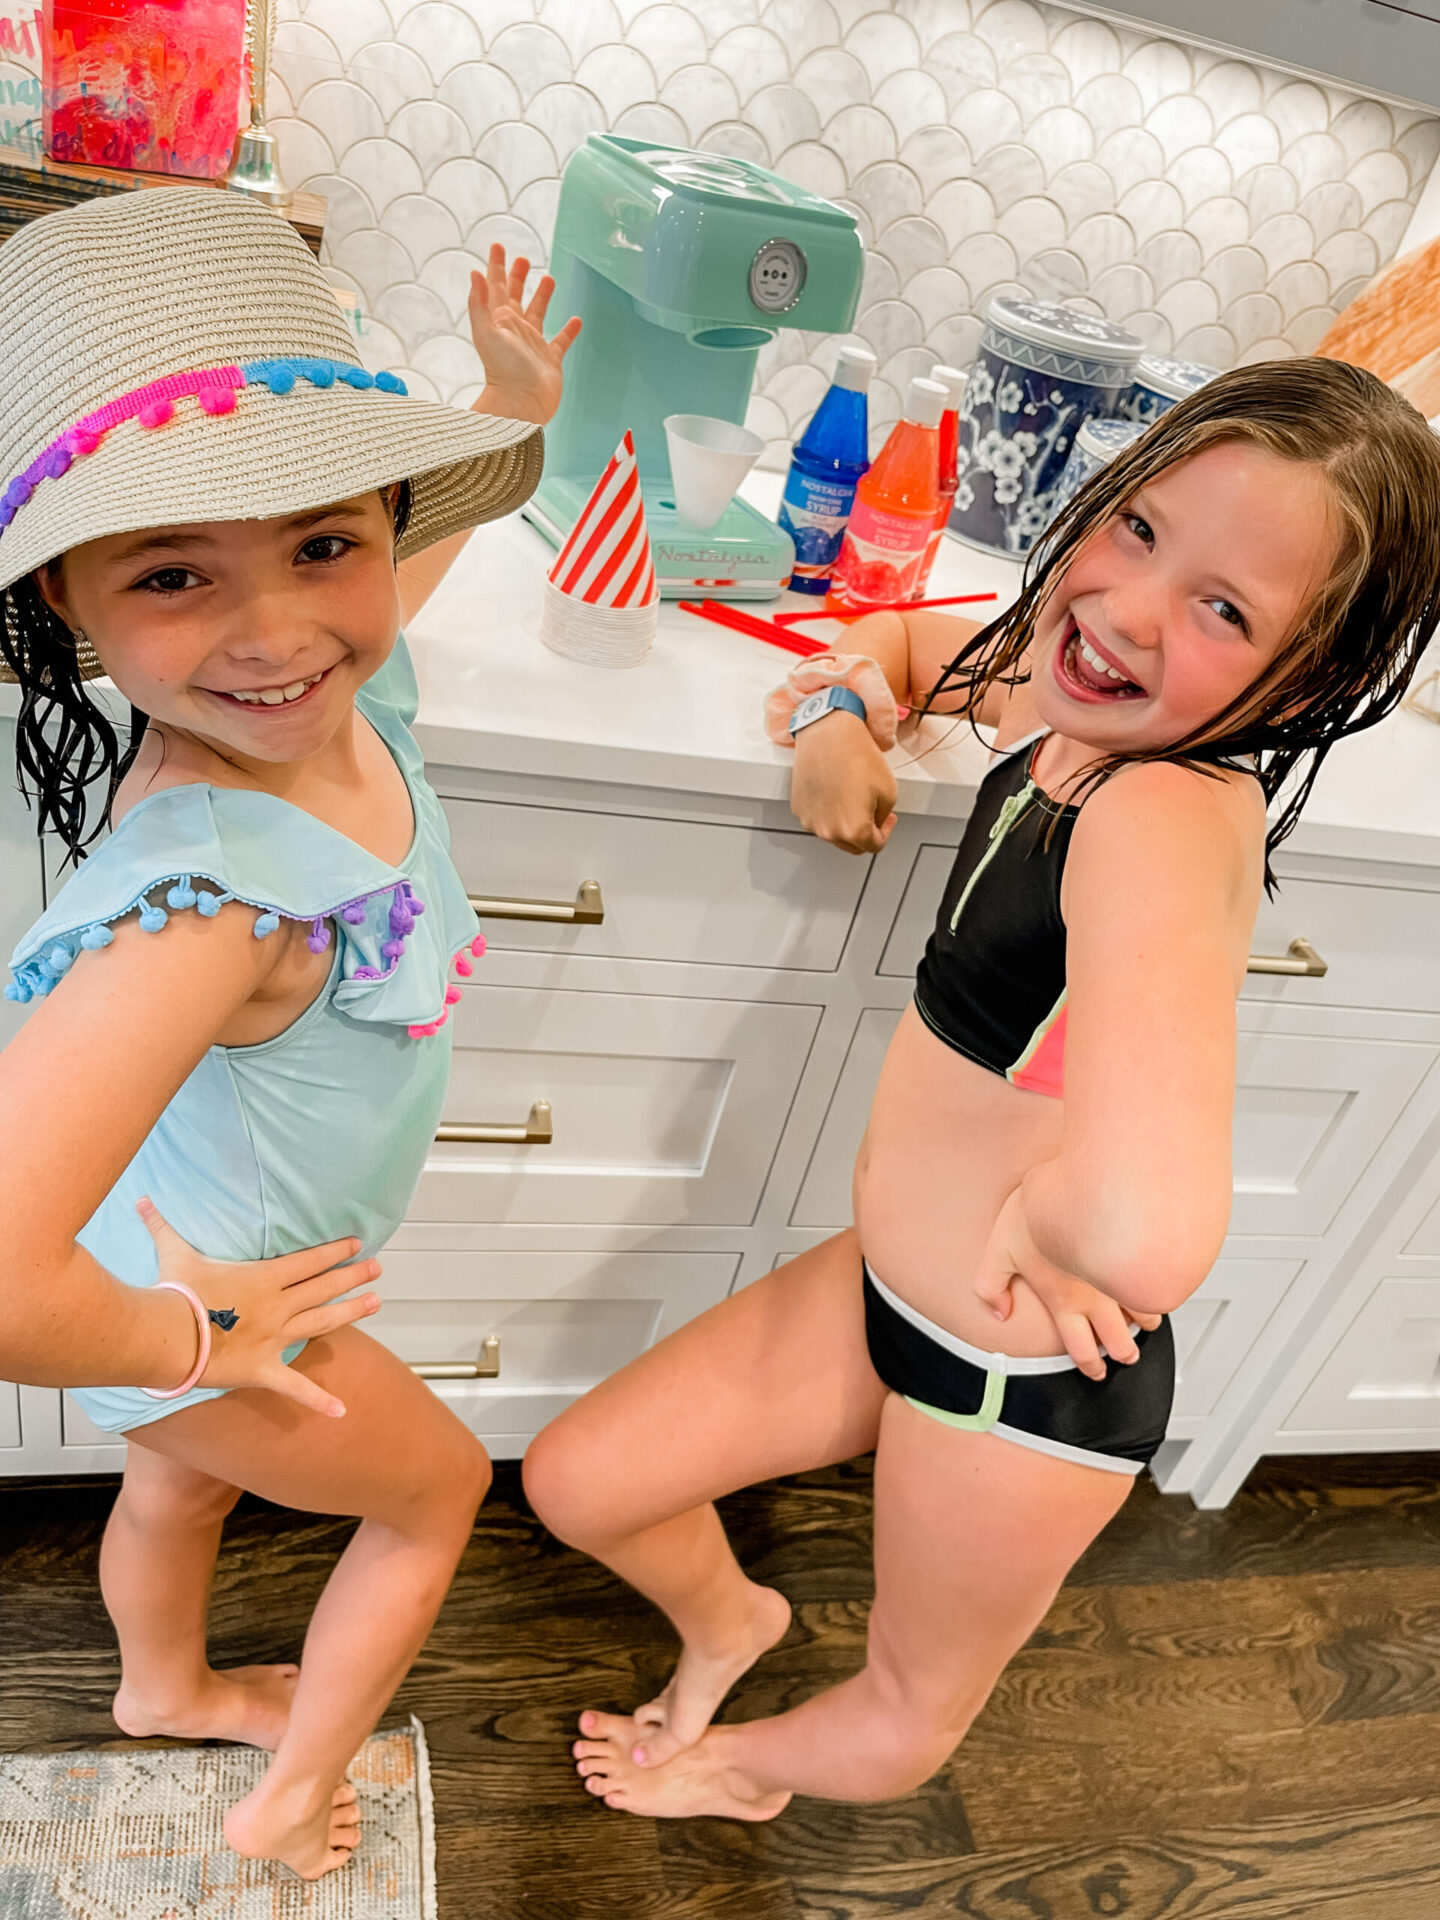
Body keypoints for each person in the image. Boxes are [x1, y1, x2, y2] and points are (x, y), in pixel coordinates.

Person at [523, 358, 1440, 1819]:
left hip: (1021, 1384)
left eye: (1223, 611)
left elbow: (1149, 1234)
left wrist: (1064, 1226)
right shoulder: (1078, 695)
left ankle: (738, 1773)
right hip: (888, 1290)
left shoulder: (1159, 813)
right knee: (582, 1479)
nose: (1130, 609)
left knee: (902, 1711)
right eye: (1138, 531)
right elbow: (901, 639)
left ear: (1312, 682)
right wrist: (839, 708)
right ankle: (734, 1620)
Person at [0, 186, 576, 1877]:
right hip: (214, 1304)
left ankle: (163, 1690)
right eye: (176, 574)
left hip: (191, 1260)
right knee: (437, 1494)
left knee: (177, 1490)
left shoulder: (338, 686)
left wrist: (517, 412)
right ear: (70, 614)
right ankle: (289, 1793)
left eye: (327, 543)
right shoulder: (214, 905)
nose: (279, 630)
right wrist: (189, 1343)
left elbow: (380, 584)